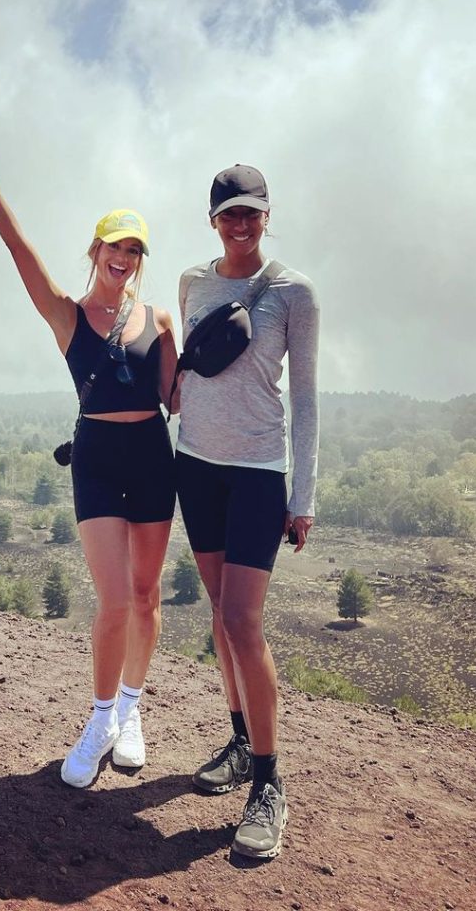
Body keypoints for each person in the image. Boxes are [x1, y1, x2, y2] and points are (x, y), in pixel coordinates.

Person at [0, 114, 178, 789]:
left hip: (152, 456)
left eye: (135, 249)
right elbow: (16, 246)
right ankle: (100, 718)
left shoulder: (160, 320)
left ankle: (133, 712)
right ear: (95, 250)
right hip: (98, 460)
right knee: (112, 602)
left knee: (146, 596)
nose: (124, 257)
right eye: (115, 246)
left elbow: (177, 398)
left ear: (141, 259)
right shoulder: (65, 314)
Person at [175, 163, 319, 859]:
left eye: (250, 213)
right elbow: (186, 375)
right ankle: (238, 740)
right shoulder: (192, 284)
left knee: (242, 619)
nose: (240, 225)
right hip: (196, 467)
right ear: (212, 220)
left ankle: (268, 782)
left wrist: (304, 497)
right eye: (228, 214)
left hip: (259, 473)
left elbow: (308, 399)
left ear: (267, 215)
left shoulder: (294, 293)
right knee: (217, 612)